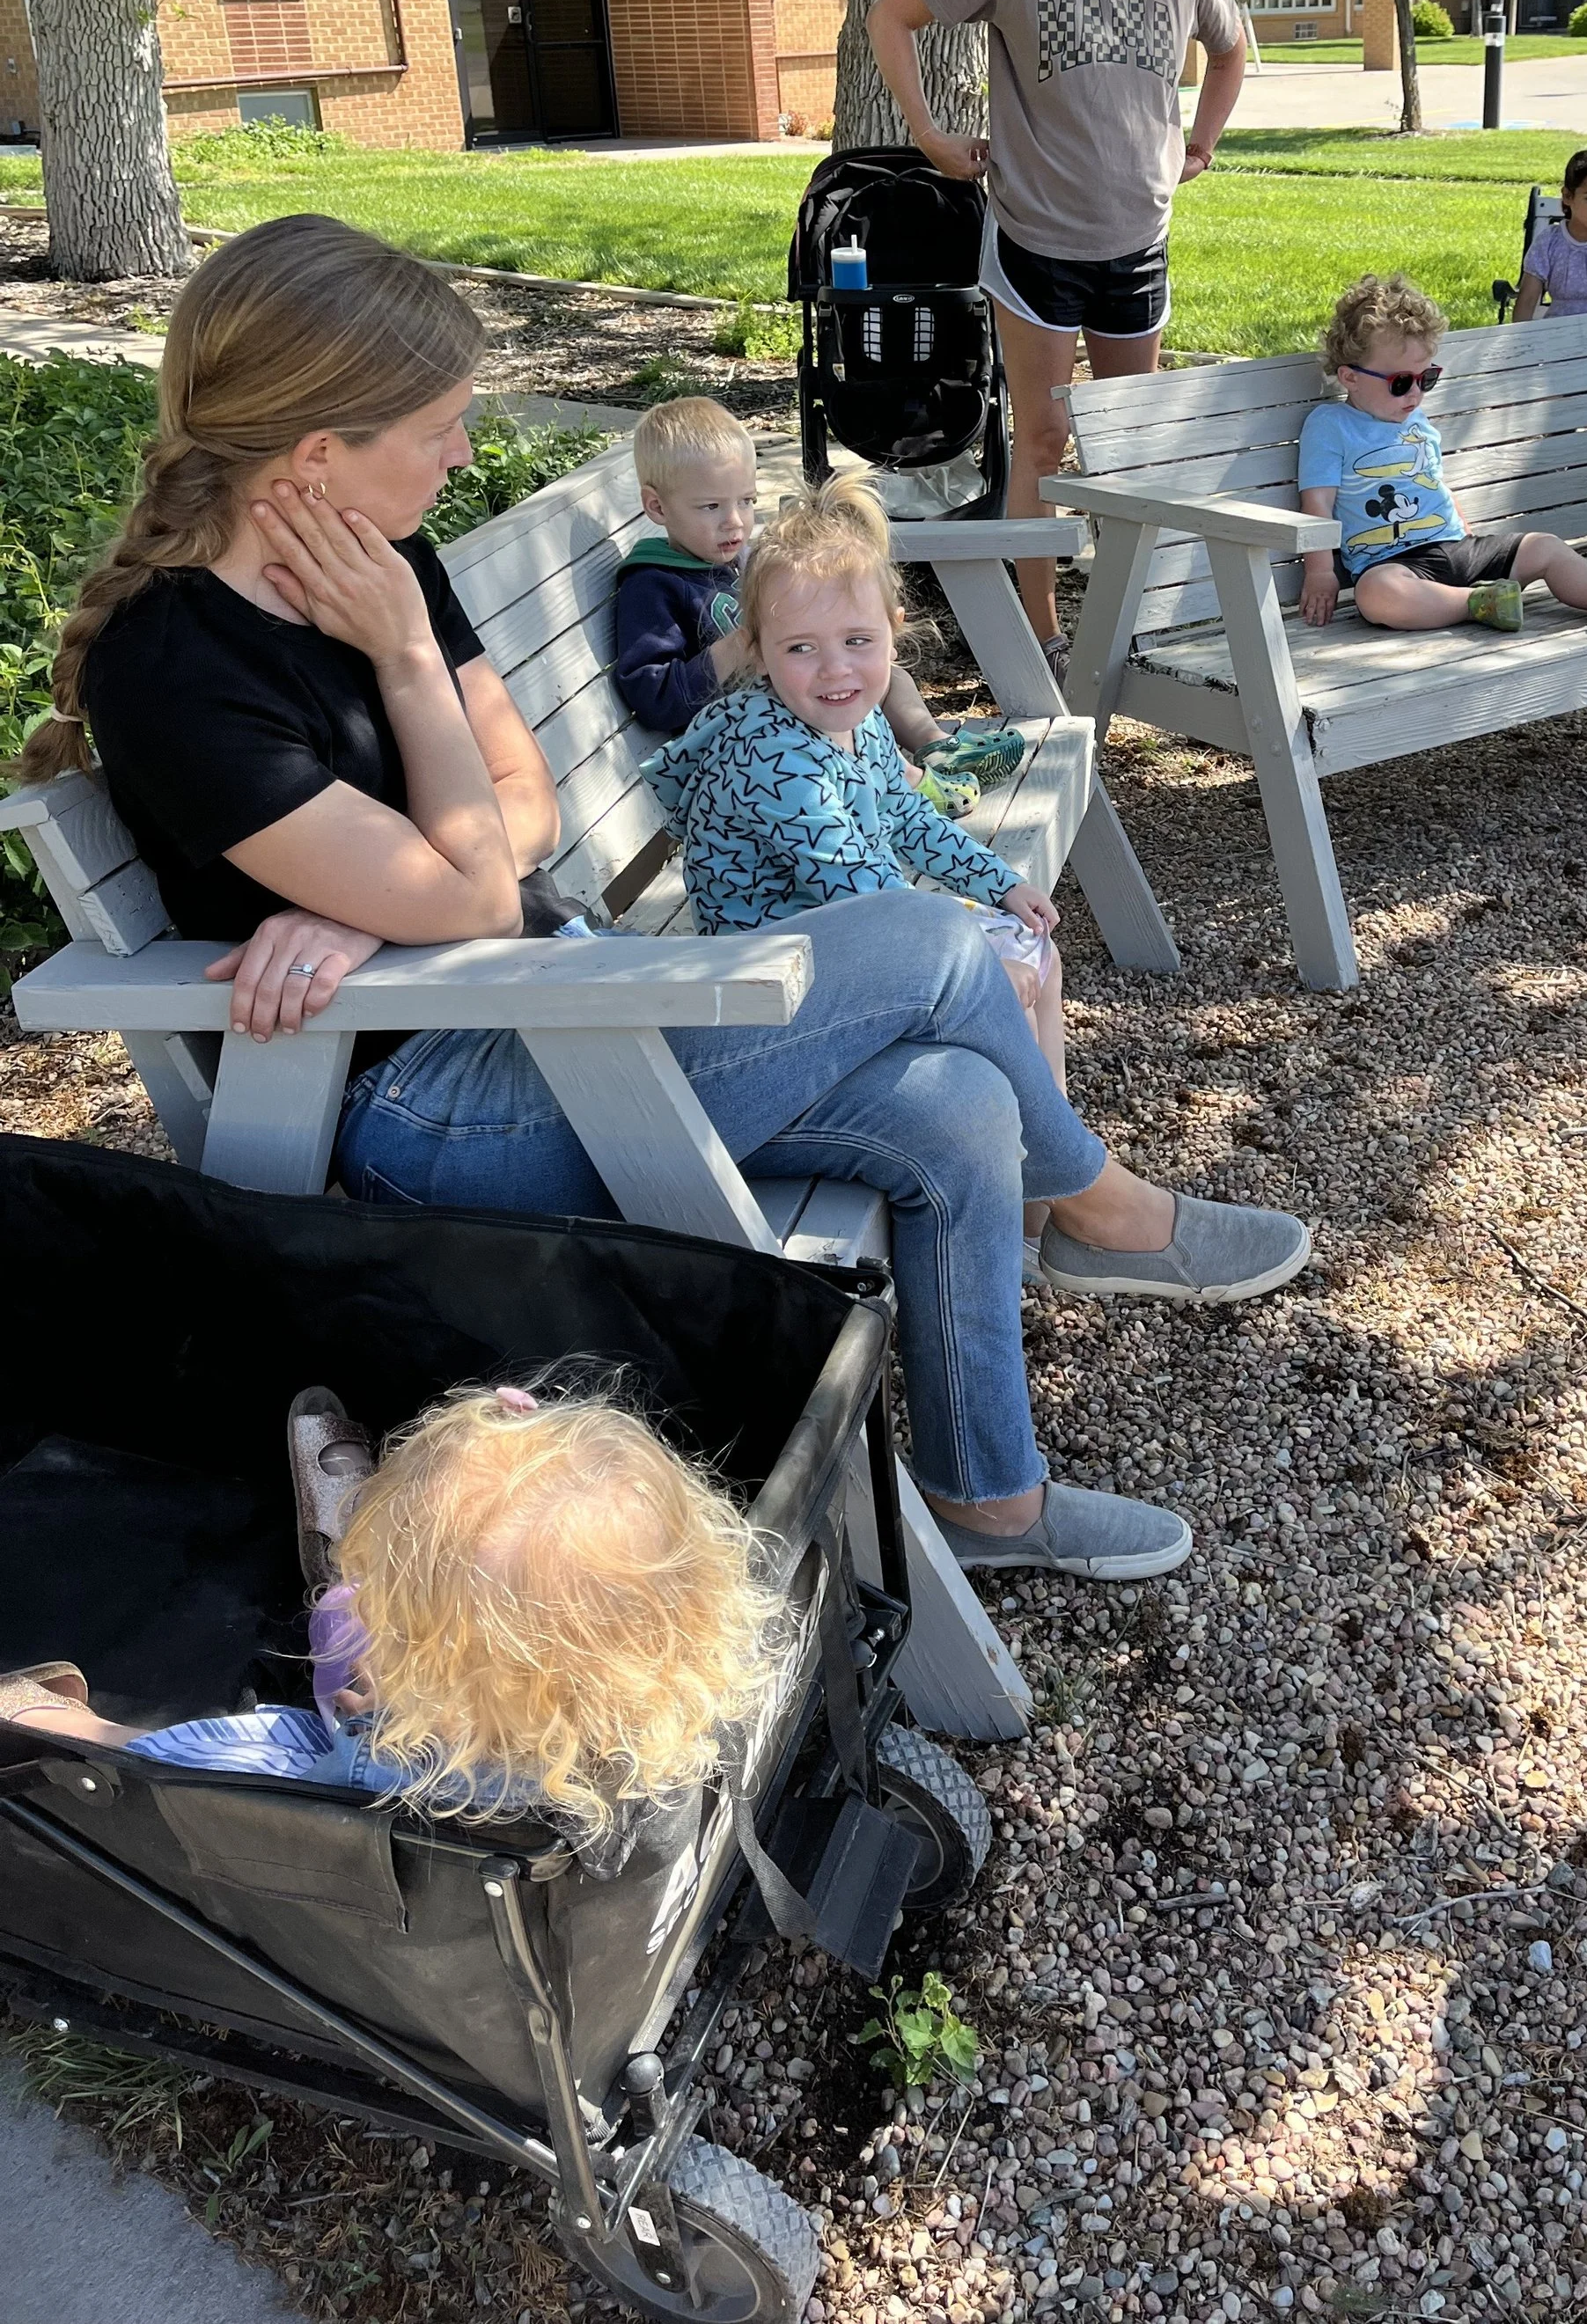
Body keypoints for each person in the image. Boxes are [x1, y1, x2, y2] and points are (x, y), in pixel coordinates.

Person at [25, 214, 1311, 1585]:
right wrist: (408, 690)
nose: (464, 452)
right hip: (419, 1111)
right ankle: (1111, 1212)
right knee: (940, 939)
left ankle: (990, 1501)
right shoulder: (182, 664)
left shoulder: (382, 551)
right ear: (319, 451)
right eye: (442, 426)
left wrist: (387, 898)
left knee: (964, 1105)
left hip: (540, 1002)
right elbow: (474, 870)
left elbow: (526, 810)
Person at [0, 1383, 786, 1870]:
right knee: (486, 1584)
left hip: (376, 1725)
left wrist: (76, 1729)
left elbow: (187, 1771)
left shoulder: (397, 1779)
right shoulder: (673, 1685)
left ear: (441, 1680)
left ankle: (360, 1564)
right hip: (489, 1703)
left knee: (245, 1715)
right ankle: (388, 1558)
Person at [866, 0, 1248, 672]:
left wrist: (1200, 144)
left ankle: (1126, 636)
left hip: (1138, 242)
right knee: (1042, 439)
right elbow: (891, 16)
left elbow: (1230, 53)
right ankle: (1037, 640)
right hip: (1036, 238)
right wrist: (926, 133)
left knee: (1126, 447)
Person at [644, 476, 1069, 1119]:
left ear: (892, 634)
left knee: (1039, 952)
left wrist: (998, 882)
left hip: (837, 935)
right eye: (801, 649)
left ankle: (1050, 1184)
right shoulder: (773, 757)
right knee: (1000, 992)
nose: (835, 668)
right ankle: (1047, 1182)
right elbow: (854, 885)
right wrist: (974, 966)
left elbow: (905, 817)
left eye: (857, 641)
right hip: (772, 985)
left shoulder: (859, 719)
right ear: (759, 653)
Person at [611, 392, 1020, 814]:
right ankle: (911, 788)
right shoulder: (652, 584)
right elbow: (655, 697)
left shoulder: (744, 560)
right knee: (832, 699)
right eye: (711, 506)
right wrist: (741, 644)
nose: (734, 521)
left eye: (747, 501)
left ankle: (935, 747)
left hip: (784, 700)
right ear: (657, 507)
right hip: (740, 742)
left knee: (881, 676)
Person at [1297, 273, 1587, 637]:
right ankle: (1477, 605)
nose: (1417, 393)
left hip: (1458, 548)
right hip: (1394, 563)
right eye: (1402, 382)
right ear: (1350, 377)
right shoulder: (1331, 424)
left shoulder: (1416, 420)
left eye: (1427, 378)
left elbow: (1432, 479)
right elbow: (1318, 503)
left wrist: (1461, 521)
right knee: (1374, 594)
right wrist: (1320, 570)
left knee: (1545, 547)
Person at [1512, 148, 1587, 320]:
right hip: (1558, 330)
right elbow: (1527, 300)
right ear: (1568, 196)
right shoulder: (1550, 241)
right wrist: (1520, 342)